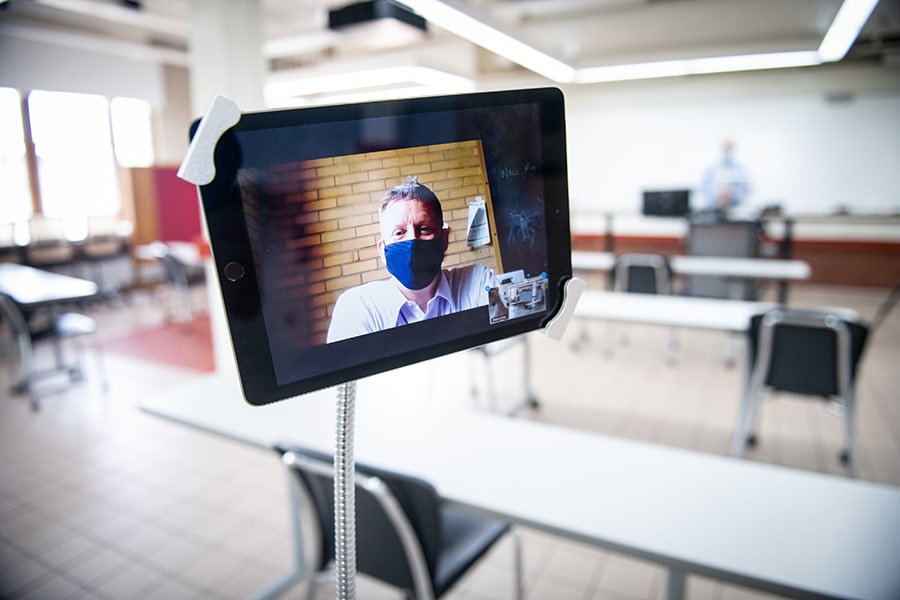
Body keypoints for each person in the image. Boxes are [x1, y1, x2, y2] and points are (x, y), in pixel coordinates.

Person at [326, 176, 496, 342]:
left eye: (424, 229)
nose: (412, 241)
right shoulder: (356, 308)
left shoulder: (479, 283)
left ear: (444, 239)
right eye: (399, 233)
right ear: (382, 250)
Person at [700, 138, 750, 211]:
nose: (727, 151)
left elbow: (746, 189)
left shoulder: (740, 169)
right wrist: (717, 194)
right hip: (713, 209)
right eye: (725, 148)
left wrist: (732, 194)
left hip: (735, 210)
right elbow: (703, 188)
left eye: (729, 148)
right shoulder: (711, 169)